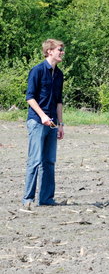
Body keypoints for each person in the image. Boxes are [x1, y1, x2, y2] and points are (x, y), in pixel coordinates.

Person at [22, 39, 65, 209]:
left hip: (53, 122)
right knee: (35, 160)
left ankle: (46, 198)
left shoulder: (59, 74)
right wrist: (42, 116)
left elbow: (59, 101)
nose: (62, 52)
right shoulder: (37, 71)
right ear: (49, 51)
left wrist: (60, 124)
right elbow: (30, 97)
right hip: (37, 121)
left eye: (62, 50)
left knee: (49, 161)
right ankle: (28, 199)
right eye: (59, 50)